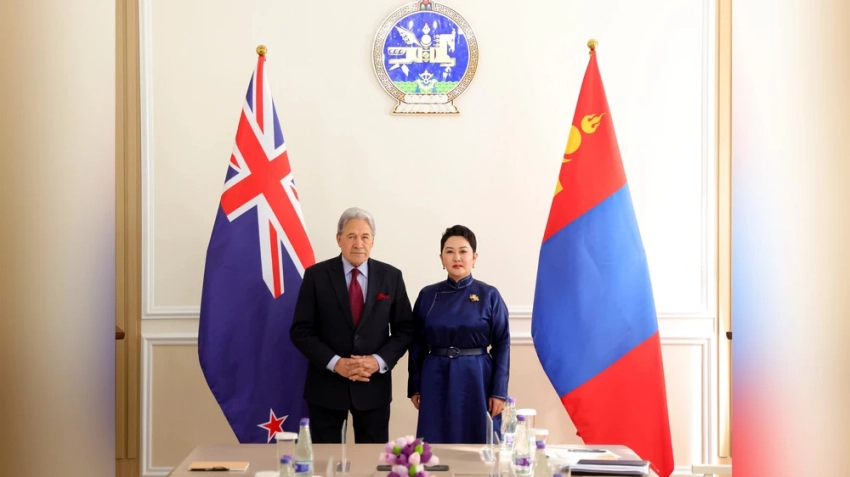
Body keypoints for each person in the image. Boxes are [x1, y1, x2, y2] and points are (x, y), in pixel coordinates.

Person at [290, 207, 414, 443]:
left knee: (372, 459)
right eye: (351, 236)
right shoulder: (316, 276)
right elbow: (300, 331)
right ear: (339, 239)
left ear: (373, 241)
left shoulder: (391, 276)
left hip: (373, 387)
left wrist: (377, 361)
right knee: (326, 459)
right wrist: (335, 363)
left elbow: (405, 330)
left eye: (365, 237)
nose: (359, 243)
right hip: (326, 387)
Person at [407, 225, 510, 443]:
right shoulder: (427, 295)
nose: (457, 258)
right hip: (435, 375)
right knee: (435, 439)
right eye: (450, 251)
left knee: (479, 440)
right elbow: (416, 344)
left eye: (463, 251)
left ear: (474, 257)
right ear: (441, 258)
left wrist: (498, 392)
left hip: (477, 376)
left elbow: (502, 344)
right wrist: (415, 386)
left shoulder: (489, 295)